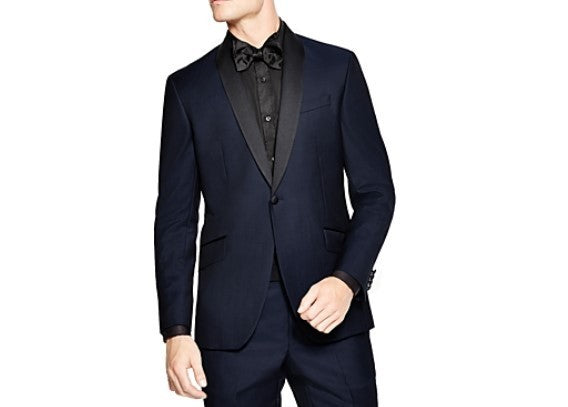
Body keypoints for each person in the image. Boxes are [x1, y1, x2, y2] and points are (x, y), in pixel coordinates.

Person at [154, 1, 396, 405]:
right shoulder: (187, 88)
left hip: (329, 310)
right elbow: (175, 221)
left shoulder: (337, 68)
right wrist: (176, 331)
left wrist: (347, 281)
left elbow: (376, 192)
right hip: (231, 323)